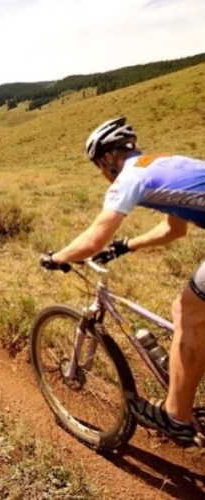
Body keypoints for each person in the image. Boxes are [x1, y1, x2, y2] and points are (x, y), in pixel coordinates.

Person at [40, 117, 205, 447]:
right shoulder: (162, 163)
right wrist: (125, 246)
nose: (102, 175)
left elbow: (92, 240)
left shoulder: (128, 178)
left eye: (99, 167)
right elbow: (175, 229)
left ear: (107, 159)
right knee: (186, 309)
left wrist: (57, 257)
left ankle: (176, 416)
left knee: (189, 310)